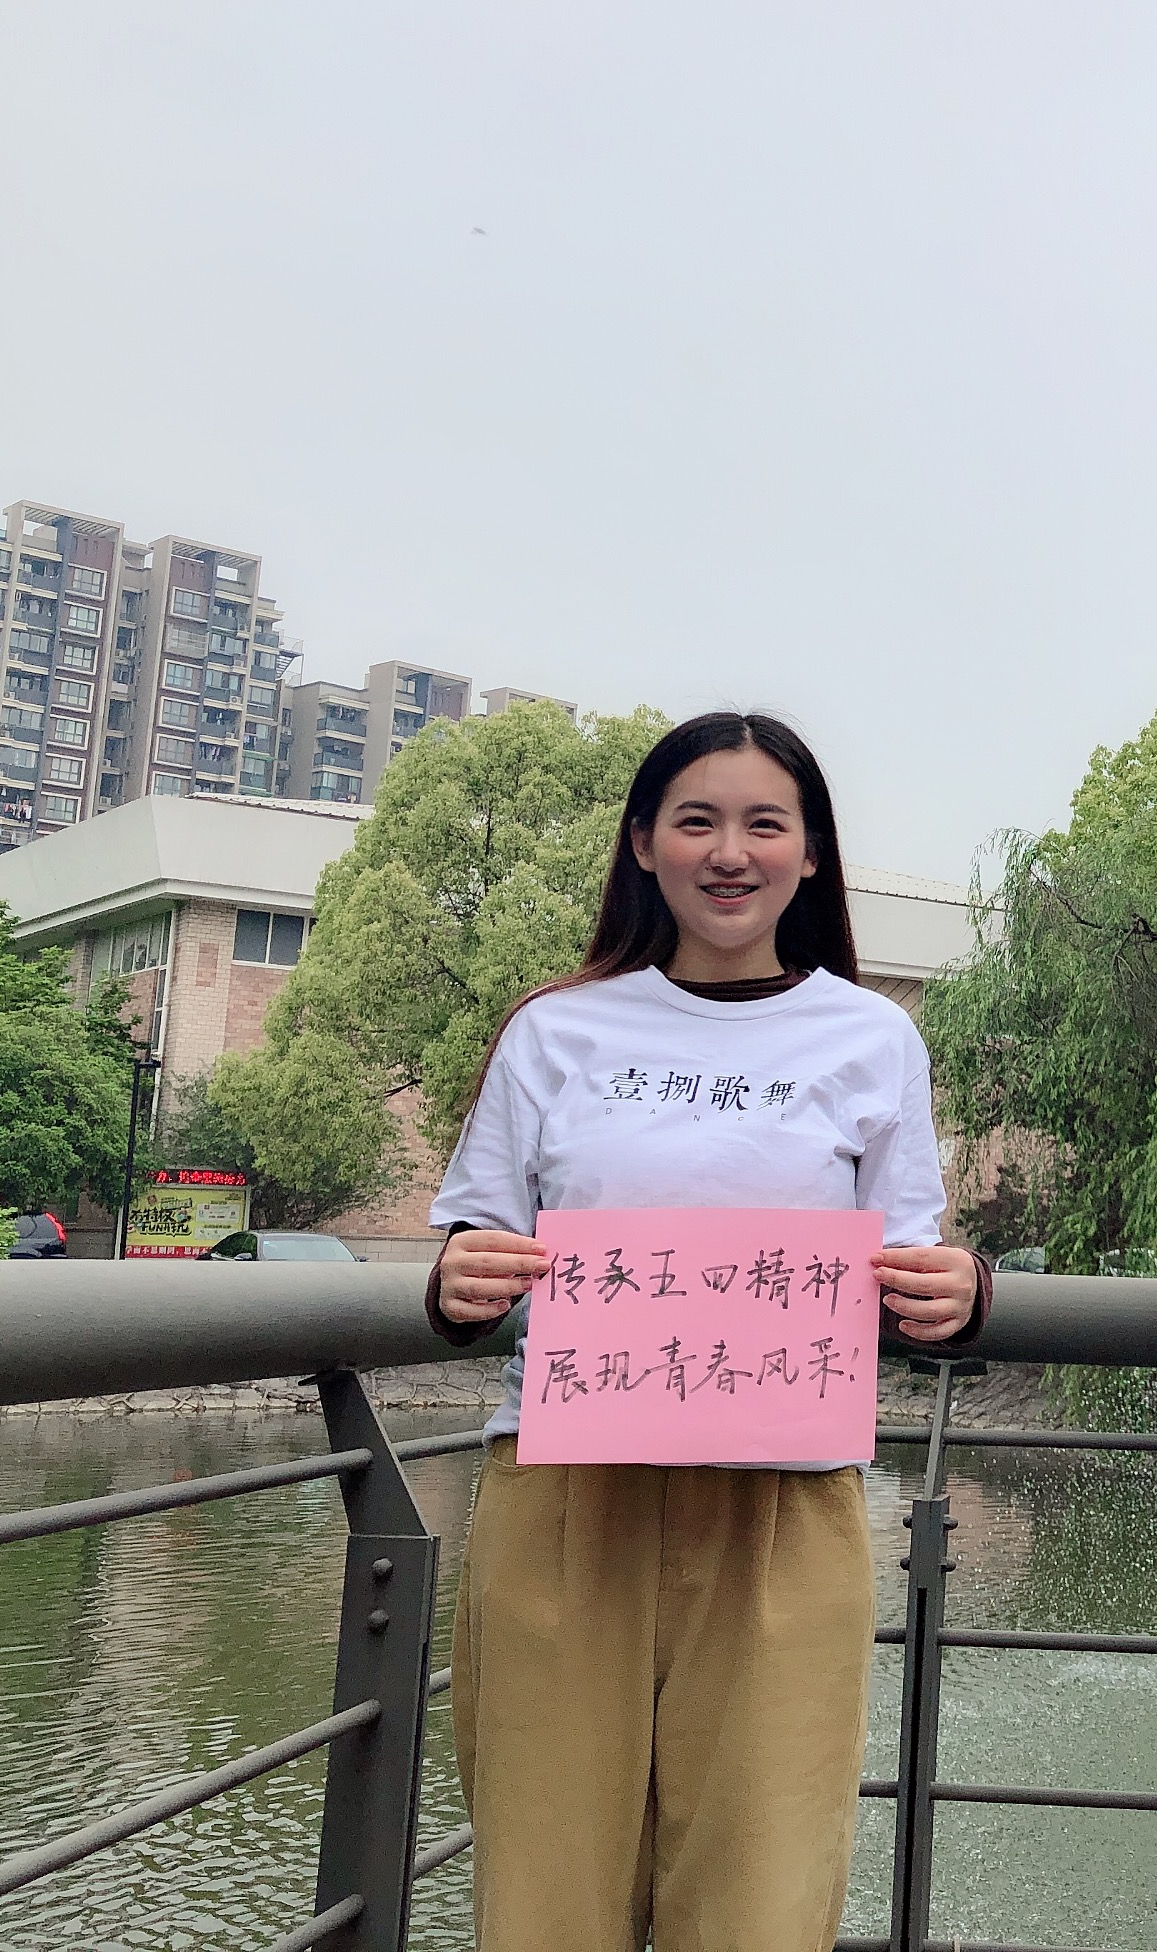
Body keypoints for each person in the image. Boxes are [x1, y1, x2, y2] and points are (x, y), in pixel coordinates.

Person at [420, 711, 992, 1952]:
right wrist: (459, 1279)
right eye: (697, 821)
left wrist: (959, 1292)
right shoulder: (556, 1028)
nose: (730, 852)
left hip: (784, 1504)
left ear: (811, 853)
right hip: (567, 1494)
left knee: (760, 1900)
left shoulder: (872, 1036)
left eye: (764, 824)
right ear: (644, 844)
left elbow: (909, 1263)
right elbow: (475, 1244)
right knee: (545, 1894)